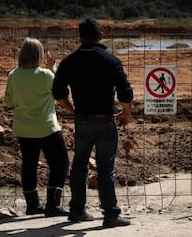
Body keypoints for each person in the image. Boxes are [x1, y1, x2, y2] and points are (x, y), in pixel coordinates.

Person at [52, 18, 133, 228]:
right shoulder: (110, 60)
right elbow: (125, 92)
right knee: (106, 167)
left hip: (82, 120)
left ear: (79, 37)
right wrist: (126, 113)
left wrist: (72, 110)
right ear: (101, 35)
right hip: (105, 119)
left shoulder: (69, 61)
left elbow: (58, 92)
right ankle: (111, 214)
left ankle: (77, 211)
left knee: (79, 165)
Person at [4, 37, 70, 217]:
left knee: (29, 165)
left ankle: (33, 205)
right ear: (40, 55)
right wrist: (53, 68)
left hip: (24, 129)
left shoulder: (13, 75)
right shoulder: (46, 75)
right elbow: (61, 90)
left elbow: (8, 102)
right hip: (47, 127)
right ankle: (53, 205)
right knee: (60, 163)